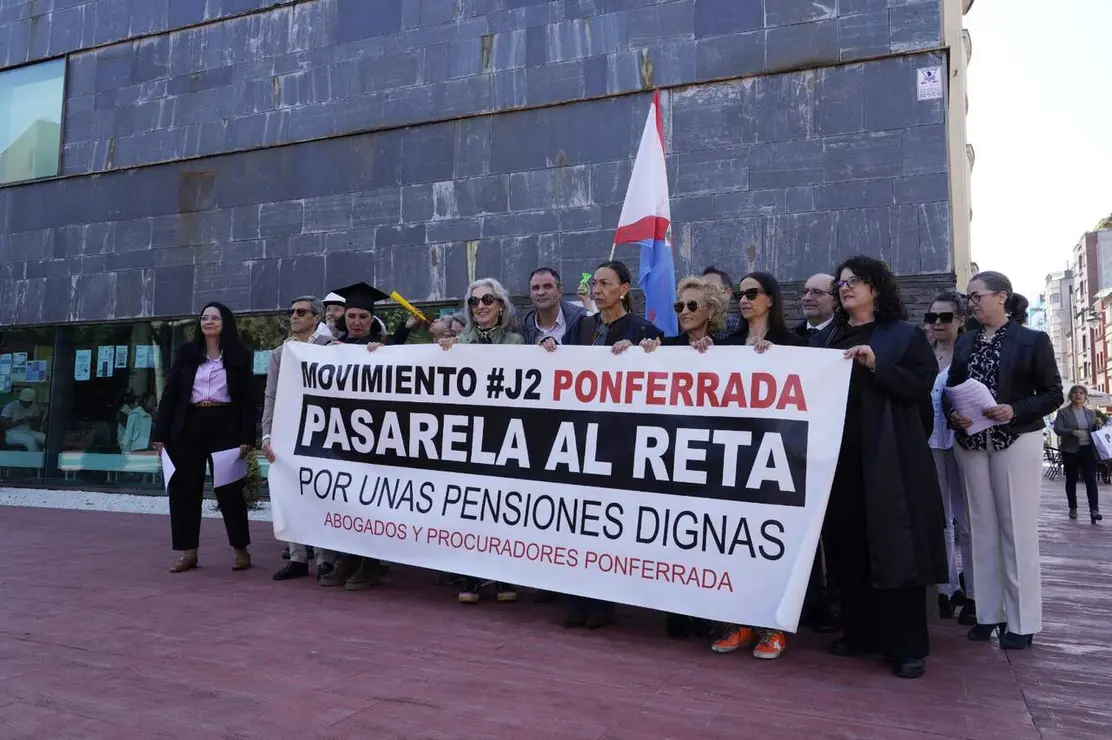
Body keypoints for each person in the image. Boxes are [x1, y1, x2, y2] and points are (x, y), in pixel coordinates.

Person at [816, 256, 947, 679]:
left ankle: (905, 646)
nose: (845, 287)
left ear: (876, 288)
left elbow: (920, 386)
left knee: (896, 547)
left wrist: (877, 365)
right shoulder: (831, 337)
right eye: (841, 283)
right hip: (840, 459)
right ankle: (858, 631)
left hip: (891, 458)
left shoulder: (905, 335)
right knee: (848, 544)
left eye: (855, 281)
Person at [947, 271, 1063, 650]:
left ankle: (1022, 620)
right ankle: (988, 613)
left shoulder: (1033, 340)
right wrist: (954, 416)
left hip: (1016, 439)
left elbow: (1052, 394)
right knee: (979, 528)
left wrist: (1014, 409)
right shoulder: (964, 343)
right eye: (969, 297)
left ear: (1002, 297)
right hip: (973, 440)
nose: (972, 303)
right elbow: (952, 391)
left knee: (1016, 529)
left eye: (977, 296)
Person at [703, 272, 804, 660]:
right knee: (730, 543)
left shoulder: (795, 345)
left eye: (751, 293)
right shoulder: (725, 345)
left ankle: (773, 628)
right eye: (739, 294)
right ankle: (737, 623)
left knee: (769, 545)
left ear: (770, 300)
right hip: (730, 458)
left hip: (775, 460)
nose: (743, 300)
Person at [562, 260, 664, 628]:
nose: (597, 290)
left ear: (624, 288)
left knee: (607, 523)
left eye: (606, 283)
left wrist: (643, 353)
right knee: (578, 522)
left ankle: (603, 604)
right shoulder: (582, 326)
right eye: (594, 284)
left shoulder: (643, 330)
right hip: (581, 436)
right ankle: (576, 599)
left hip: (621, 439)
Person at [638, 275, 724, 643]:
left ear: (712, 311)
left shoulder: (730, 349)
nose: (685, 312)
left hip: (713, 458)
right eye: (679, 307)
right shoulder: (666, 347)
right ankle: (675, 610)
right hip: (669, 457)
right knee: (674, 536)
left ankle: (706, 613)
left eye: (692, 306)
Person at [432, 278, 524, 604]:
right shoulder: (455, 344)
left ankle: (501, 576)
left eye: (487, 299)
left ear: (500, 305)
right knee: (468, 509)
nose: (481, 306)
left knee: (500, 509)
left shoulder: (517, 343)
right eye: (474, 302)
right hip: (466, 439)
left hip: (504, 438)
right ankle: (469, 577)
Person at [153, 303, 256, 574]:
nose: (208, 322)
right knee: (184, 490)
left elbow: (248, 399)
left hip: (225, 426)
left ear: (226, 323)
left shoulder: (239, 355)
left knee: (229, 490)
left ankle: (240, 549)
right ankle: (188, 552)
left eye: (215, 318)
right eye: (204, 318)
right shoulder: (187, 353)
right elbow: (171, 394)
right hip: (188, 424)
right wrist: (160, 433)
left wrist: (247, 435)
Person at [319, 282, 394, 591]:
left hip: (375, 437)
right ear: (342, 318)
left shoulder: (385, 349)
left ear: (371, 319)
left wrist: (381, 356)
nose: (356, 322)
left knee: (370, 499)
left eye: (363, 316)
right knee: (343, 499)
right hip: (340, 435)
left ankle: (370, 563)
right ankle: (346, 559)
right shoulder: (328, 350)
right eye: (351, 316)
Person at [262, 295, 340, 582]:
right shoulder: (279, 353)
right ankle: (296, 556)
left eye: (301, 312)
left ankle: (324, 560)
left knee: (321, 494)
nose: (294, 316)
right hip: (287, 431)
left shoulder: (331, 348)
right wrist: (267, 433)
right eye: (292, 311)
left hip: (321, 431)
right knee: (290, 493)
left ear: (316, 317)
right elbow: (271, 395)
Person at [925, 289, 975, 623]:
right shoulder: (922, 354)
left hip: (965, 441)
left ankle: (974, 591)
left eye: (945, 317)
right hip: (929, 442)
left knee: (968, 518)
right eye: (932, 317)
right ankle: (946, 587)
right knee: (939, 517)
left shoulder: (971, 352)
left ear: (960, 319)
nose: (938, 323)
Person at [1053, 386, 1103, 523]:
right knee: (1071, 480)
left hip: (1088, 450)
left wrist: (1098, 423)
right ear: (1070, 396)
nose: (1078, 395)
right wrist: (1072, 432)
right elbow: (1057, 429)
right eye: (1075, 393)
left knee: (1091, 480)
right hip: (1070, 450)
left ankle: (1094, 510)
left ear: (1085, 396)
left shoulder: (1090, 413)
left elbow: (1094, 430)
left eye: (1081, 393)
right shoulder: (1063, 412)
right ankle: (1073, 507)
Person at [521, 267, 587, 346]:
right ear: (530, 295)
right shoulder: (525, 324)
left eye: (547, 286)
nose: (541, 292)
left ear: (560, 292)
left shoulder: (580, 320)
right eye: (536, 288)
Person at [701, 266, 739, 342]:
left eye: (711, 288)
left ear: (728, 292)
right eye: (701, 288)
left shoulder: (739, 327)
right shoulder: (692, 323)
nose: (705, 293)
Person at [794, 273, 837, 339]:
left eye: (817, 292)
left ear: (835, 300)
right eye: (805, 292)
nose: (807, 298)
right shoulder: (789, 337)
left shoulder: (847, 337)